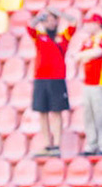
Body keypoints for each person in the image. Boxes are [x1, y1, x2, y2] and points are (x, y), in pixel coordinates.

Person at [25, 10, 72, 156]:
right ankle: (47, 144)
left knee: (57, 112)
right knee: (42, 112)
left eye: (52, 20)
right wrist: (39, 17)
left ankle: (56, 144)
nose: (50, 23)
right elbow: (29, 27)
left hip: (57, 78)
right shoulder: (40, 36)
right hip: (41, 78)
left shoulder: (63, 36)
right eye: (47, 20)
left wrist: (59, 13)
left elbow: (74, 22)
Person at [74, 14, 102, 157]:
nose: (86, 26)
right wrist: (85, 55)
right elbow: (79, 57)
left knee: (100, 115)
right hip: (88, 83)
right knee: (88, 115)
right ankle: (91, 145)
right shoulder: (88, 41)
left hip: (101, 83)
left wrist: (85, 55)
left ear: (97, 24)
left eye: (89, 23)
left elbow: (97, 53)